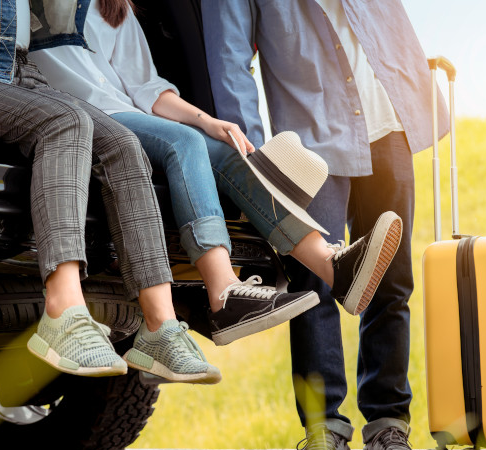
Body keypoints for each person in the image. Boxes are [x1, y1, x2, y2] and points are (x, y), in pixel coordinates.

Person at [28, 0, 403, 353]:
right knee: (184, 143)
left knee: (225, 147)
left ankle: (332, 265)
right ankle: (223, 293)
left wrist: (208, 120)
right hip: (73, 116)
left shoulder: (113, 5)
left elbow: (146, 86)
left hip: (127, 115)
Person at [0, 0, 219, 384]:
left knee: (124, 145)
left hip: (22, 75)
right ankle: (63, 309)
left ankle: (160, 328)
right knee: (67, 122)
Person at [203, 0, 450, 450]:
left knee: (391, 281)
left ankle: (389, 425)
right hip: (311, 138)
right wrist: (257, 157)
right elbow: (229, 59)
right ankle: (325, 430)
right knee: (312, 284)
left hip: (389, 124)